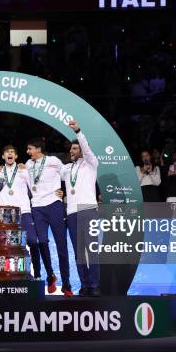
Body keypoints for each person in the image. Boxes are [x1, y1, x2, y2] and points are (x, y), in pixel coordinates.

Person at [0, 145, 56, 289]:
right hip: (6, 215)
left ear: (16, 156)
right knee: (8, 247)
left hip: (24, 212)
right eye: (7, 152)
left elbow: (37, 187)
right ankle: (9, 277)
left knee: (33, 242)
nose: (10, 154)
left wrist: (56, 192)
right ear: (3, 156)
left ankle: (39, 275)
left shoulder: (24, 170)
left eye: (12, 152)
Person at [26, 137, 71, 297]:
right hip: (37, 207)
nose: (28, 152)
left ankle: (66, 285)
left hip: (54, 205)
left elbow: (68, 175)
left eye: (30, 148)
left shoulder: (53, 161)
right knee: (42, 242)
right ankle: (51, 275)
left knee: (61, 246)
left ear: (38, 149)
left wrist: (65, 192)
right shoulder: (28, 164)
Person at [60, 120, 100, 297]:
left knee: (91, 249)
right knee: (78, 252)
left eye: (75, 149)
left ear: (82, 150)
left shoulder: (91, 163)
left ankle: (95, 284)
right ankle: (84, 284)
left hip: (88, 208)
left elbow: (85, 146)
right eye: (70, 149)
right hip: (72, 212)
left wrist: (77, 131)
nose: (71, 151)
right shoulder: (67, 169)